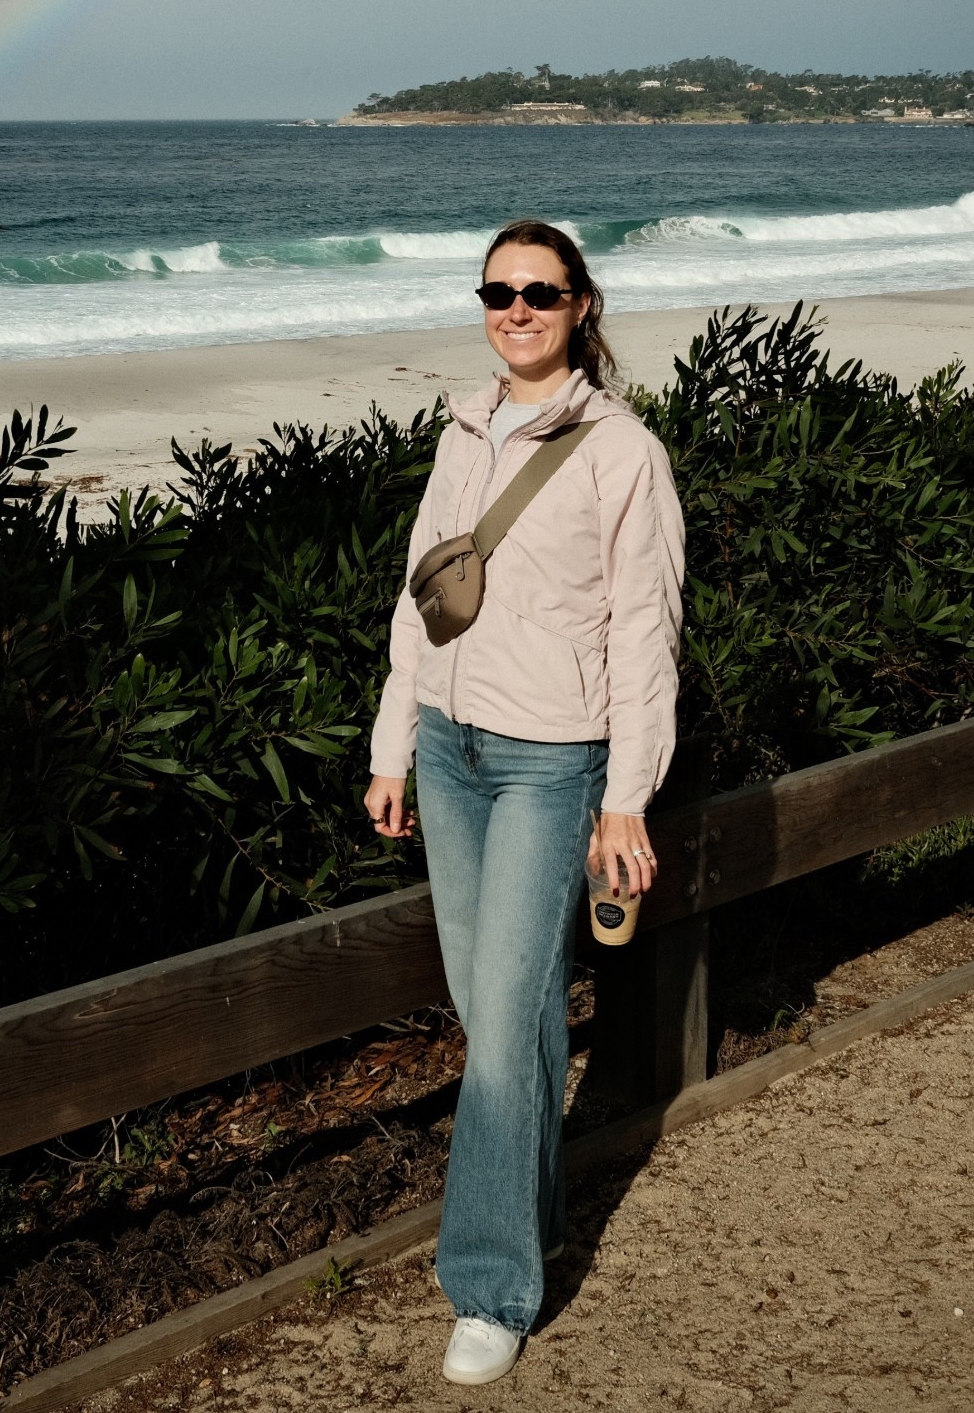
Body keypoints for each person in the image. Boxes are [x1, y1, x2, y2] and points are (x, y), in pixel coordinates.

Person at [364, 218, 685, 1388]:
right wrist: (394, 743)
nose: (516, 308)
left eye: (540, 291)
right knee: (492, 1006)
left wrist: (625, 796)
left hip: (554, 760)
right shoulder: (463, 425)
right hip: (449, 749)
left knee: (503, 1016)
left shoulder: (620, 452)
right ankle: (527, 1219)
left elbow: (647, 634)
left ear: (582, 305)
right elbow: (421, 596)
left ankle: (492, 1282)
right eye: (497, 290)